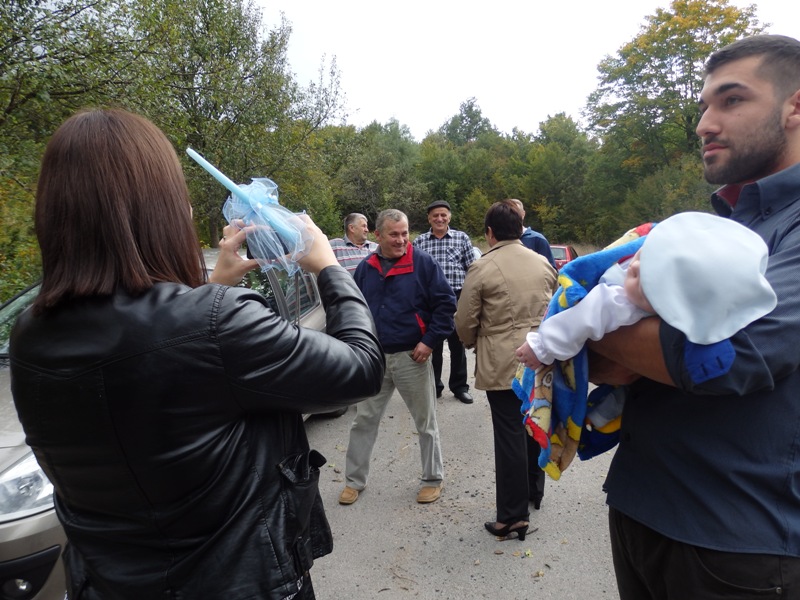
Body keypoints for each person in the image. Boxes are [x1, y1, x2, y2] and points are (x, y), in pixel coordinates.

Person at [9, 108, 385, 600]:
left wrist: (209, 287)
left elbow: (151, 371)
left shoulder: (30, 333)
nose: (185, 210)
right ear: (156, 209)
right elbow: (360, 369)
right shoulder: (213, 322)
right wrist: (330, 269)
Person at [587, 35, 800, 599]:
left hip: (738, 544)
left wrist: (599, 332)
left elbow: (735, 356)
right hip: (640, 507)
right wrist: (620, 341)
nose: (705, 122)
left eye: (731, 101)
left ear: (795, 107)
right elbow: (604, 343)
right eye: (704, 105)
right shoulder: (718, 226)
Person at [516, 211, 776, 429]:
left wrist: (544, 347)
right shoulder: (619, 298)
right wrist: (542, 346)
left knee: (622, 394)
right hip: (584, 330)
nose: (636, 269)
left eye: (647, 281)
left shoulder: (637, 303)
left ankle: (596, 419)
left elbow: (582, 323)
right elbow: (579, 318)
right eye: (642, 257)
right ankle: (595, 418)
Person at [339, 209, 456, 505]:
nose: (401, 240)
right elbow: (357, 312)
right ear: (377, 235)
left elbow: (446, 305)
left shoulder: (423, 264)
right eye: (394, 234)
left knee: (425, 422)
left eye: (405, 233)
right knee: (363, 420)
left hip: (412, 357)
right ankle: (354, 481)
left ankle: (432, 479)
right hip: (376, 359)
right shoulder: (367, 267)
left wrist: (429, 342)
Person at [455, 200, 557, 540]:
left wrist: (473, 343)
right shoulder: (542, 262)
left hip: (503, 361)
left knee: (510, 435)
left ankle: (512, 516)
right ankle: (533, 493)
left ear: (489, 233)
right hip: (541, 356)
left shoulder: (482, 267)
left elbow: (465, 321)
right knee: (534, 423)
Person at [412, 199, 475, 403]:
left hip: (457, 298)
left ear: (449, 217)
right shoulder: (420, 242)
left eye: (443, 215)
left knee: (458, 346)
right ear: (429, 218)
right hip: (430, 301)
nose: (439, 218)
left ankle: (459, 387)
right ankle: (434, 387)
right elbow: (413, 272)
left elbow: (472, 269)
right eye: (435, 215)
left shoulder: (461, 238)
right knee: (433, 345)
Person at [507, 198, 556, 268]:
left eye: (516, 212)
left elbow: (551, 270)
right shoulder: (500, 239)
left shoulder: (537, 239)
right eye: (509, 212)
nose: (512, 216)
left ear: (523, 214)